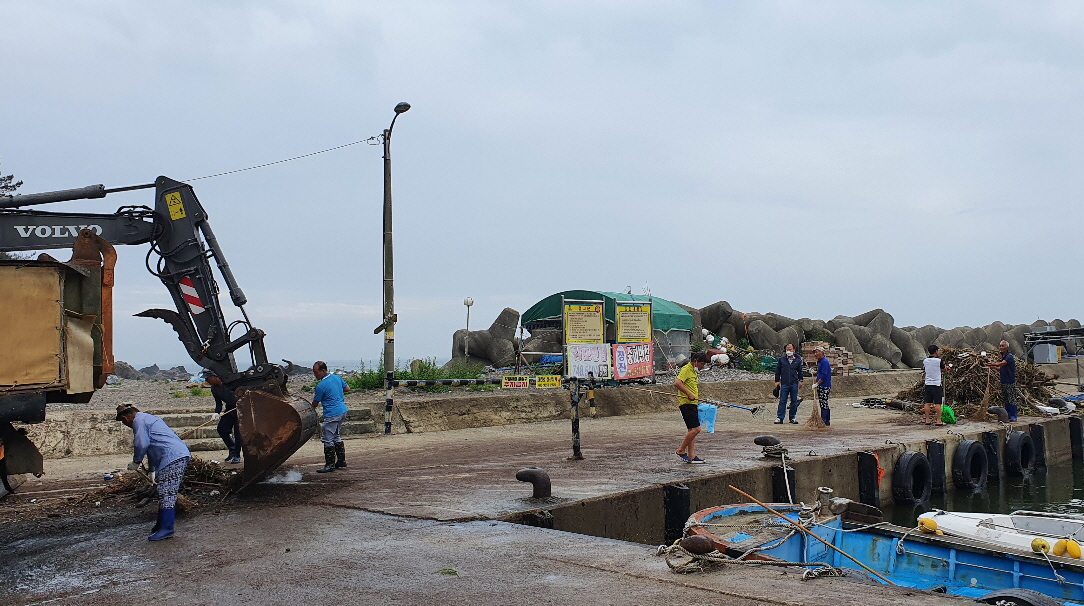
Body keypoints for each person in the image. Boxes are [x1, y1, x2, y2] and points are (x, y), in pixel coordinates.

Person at [116, 404, 191, 541]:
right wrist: (152, 470)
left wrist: (136, 461)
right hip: (175, 456)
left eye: (123, 422)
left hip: (173, 456)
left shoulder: (139, 421)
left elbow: (141, 443)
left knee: (167, 493)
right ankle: (161, 524)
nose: (126, 425)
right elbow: (152, 450)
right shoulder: (148, 419)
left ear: (126, 418)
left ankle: (167, 528)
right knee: (163, 491)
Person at [312, 361, 350, 473]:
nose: (315, 375)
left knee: (328, 439)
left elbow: (315, 403)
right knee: (336, 436)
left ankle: (330, 465)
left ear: (323, 371)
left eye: (316, 372)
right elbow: (347, 388)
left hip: (332, 413)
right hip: (342, 410)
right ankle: (341, 461)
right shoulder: (337, 378)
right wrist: (335, 392)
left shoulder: (321, 386)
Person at [675, 352, 709, 464]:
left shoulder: (693, 371)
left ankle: (692, 455)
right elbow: (678, 383)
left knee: (691, 430)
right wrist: (689, 394)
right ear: (696, 361)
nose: (702, 366)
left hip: (693, 404)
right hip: (686, 403)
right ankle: (680, 450)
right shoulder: (686, 369)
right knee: (696, 429)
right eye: (702, 364)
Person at [205, 370, 241, 464]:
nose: (206, 381)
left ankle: (237, 455)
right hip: (229, 409)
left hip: (240, 409)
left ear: (214, 376)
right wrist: (216, 413)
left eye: (208, 378)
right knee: (221, 429)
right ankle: (232, 449)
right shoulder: (214, 388)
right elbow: (218, 403)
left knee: (238, 433)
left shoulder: (229, 383)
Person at [988, 340, 1018, 422]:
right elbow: (1000, 368)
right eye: (1000, 346)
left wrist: (993, 364)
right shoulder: (1003, 357)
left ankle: (1013, 416)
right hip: (1003, 381)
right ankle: (1007, 414)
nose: (1001, 347)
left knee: (1011, 399)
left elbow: (1000, 364)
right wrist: (992, 367)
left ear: (1007, 347)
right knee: (1006, 399)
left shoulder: (1009, 356)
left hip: (1010, 381)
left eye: (1003, 346)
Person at [774, 344, 804, 424]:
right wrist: (777, 381)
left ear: (794, 350)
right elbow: (778, 371)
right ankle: (780, 418)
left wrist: (800, 381)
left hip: (794, 383)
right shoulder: (781, 360)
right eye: (787, 349)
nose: (789, 351)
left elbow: (800, 371)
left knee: (794, 401)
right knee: (782, 401)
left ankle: (792, 417)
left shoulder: (797, 360)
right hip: (784, 383)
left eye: (790, 349)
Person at [922, 345, 947, 426]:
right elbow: (944, 369)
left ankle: (927, 420)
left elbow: (925, 369)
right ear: (936, 351)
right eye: (938, 351)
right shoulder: (939, 361)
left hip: (928, 384)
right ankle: (938, 421)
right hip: (936, 384)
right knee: (937, 403)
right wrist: (947, 368)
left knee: (927, 403)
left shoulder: (925, 361)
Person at [813, 347, 832, 427]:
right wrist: (815, 372)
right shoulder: (819, 362)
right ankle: (826, 421)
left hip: (824, 386)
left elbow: (824, 375)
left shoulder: (824, 362)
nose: (815, 354)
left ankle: (824, 420)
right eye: (815, 352)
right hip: (821, 385)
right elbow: (820, 372)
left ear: (821, 353)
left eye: (817, 352)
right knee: (823, 402)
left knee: (823, 402)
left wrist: (817, 383)